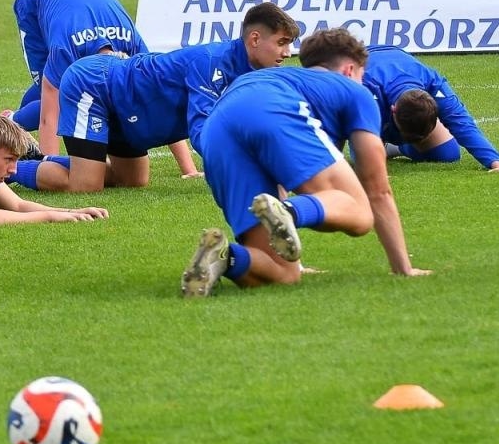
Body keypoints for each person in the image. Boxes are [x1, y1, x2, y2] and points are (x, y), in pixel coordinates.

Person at [181, 27, 430, 297]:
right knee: (360, 212)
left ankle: (224, 257)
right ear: (349, 70)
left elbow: (281, 167)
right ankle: (289, 211)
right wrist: (403, 267)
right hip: (270, 107)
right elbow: (377, 190)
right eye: (361, 75)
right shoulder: (353, 91)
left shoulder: (291, 80)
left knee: (285, 274)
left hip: (217, 128)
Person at [23, 3, 299, 193]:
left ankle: (68, 157)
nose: (287, 53)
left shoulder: (251, 73)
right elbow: (202, 131)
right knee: (85, 187)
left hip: (129, 115)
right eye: (281, 42)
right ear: (254, 39)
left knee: (132, 182)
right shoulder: (211, 63)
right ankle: (13, 167)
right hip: (95, 86)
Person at [7, 0, 149, 132]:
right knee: (56, 98)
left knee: (78, 93)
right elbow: (49, 114)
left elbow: (161, 104)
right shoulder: (65, 49)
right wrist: (47, 158)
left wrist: (186, 158)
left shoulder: (138, 54)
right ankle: (9, 122)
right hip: (35, 0)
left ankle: (15, 130)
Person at [360, 45, 499, 172]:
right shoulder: (365, 88)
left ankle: (390, 148)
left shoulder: (434, 84)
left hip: (393, 72)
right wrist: (374, 170)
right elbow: (355, 132)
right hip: (365, 62)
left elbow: (463, 124)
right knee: (363, 154)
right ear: (393, 110)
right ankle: (379, 144)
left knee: (447, 153)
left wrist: (497, 163)